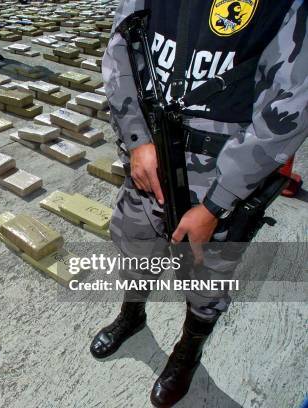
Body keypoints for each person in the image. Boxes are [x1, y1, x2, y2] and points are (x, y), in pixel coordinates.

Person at [91, 0, 307, 407]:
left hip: (222, 172)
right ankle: (132, 316)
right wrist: (137, 139)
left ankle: (187, 353)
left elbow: (290, 105)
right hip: (150, 154)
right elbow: (120, 48)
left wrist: (215, 204)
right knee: (135, 246)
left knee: (206, 277)